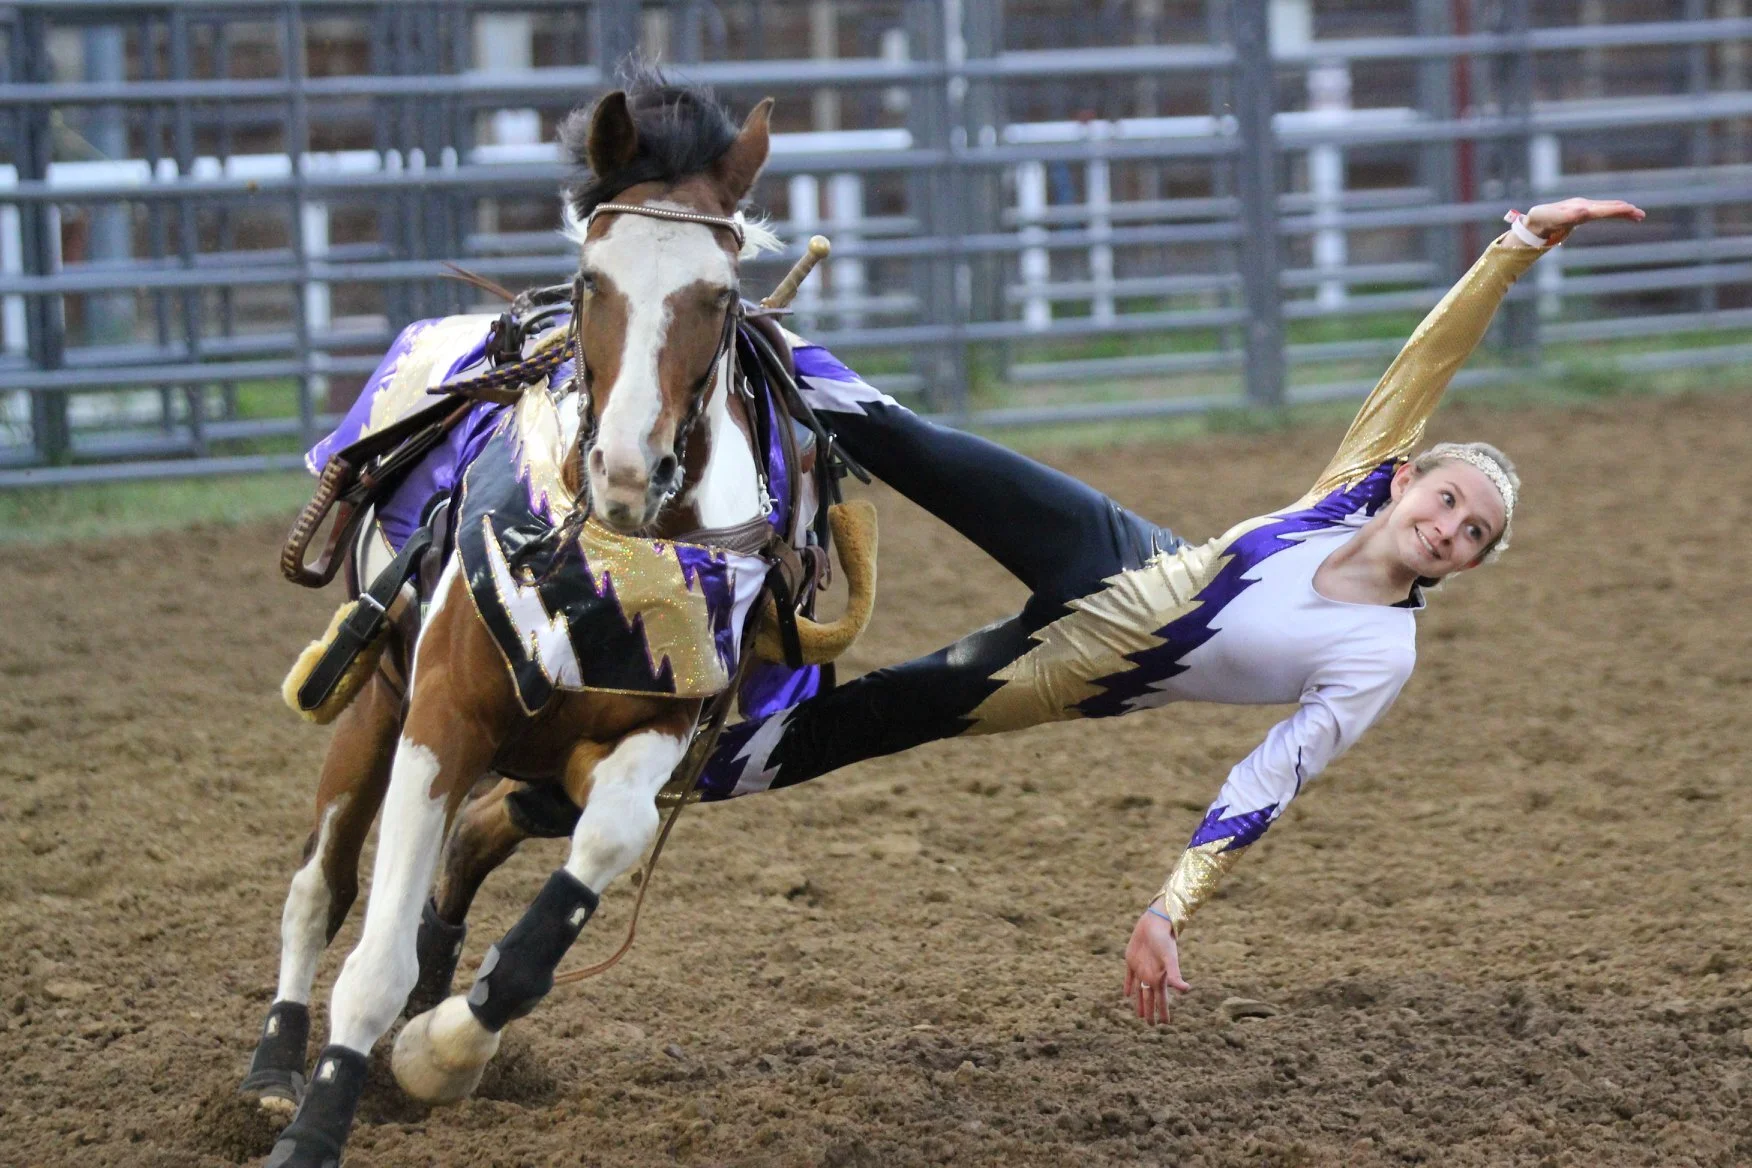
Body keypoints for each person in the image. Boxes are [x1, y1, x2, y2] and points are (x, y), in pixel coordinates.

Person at [697, 197, 1643, 1025]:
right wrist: (1519, 245)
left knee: (868, 720)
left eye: (1474, 534)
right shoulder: (1353, 488)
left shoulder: (1378, 653)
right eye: (1448, 499)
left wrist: (1169, 907)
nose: (1449, 529)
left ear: (1471, 563)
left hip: (1079, 673)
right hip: (1113, 549)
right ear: (1407, 482)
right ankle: (712, 313)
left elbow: (1271, 776)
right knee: (913, 443)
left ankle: (659, 781)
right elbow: (1427, 359)